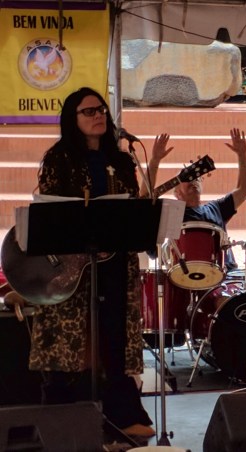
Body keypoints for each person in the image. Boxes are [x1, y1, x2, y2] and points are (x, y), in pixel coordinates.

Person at [30, 87, 167, 437]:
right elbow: (50, 212)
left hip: (115, 263)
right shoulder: (59, 159)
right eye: (89, 111)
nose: (98, 116)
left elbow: (131, 208)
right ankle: (63, 420)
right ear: (73, 119)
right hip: (72, 269)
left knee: (114, 338)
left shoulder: (122, 160)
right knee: (70, 342)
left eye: (102, 110)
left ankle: (121, 415)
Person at [172, 128, 246, 273]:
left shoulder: (216, 207)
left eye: (196, 177)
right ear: (177, 193)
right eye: (187, 177)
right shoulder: (172, 215)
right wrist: (155, 161)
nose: (193, 180)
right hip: (188, 275)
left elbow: (244, 189)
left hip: (227, 274)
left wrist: (242, 155)